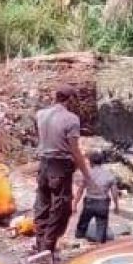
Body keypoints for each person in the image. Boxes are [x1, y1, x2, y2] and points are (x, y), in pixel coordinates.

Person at [32, 85, 93, 254]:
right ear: (70, 99)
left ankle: (40, 245)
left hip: (44, 164)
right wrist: (87, 174)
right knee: (61, 208)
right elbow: (74, 149)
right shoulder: (71, 119)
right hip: (60, 166)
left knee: (42, 205)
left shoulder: (41, 115)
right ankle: (47, 250)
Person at [73, 150, 119, 243]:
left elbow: (80, 190)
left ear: (91, 162)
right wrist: (116, 206)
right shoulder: (109, 174)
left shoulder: (88, 174)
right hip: (103, 203)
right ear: (102, 162)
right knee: (101, 227)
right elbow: (114, 192)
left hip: (89, 202)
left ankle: (78, 241)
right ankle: (99, 245)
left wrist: (74, 204)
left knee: (82, 224)